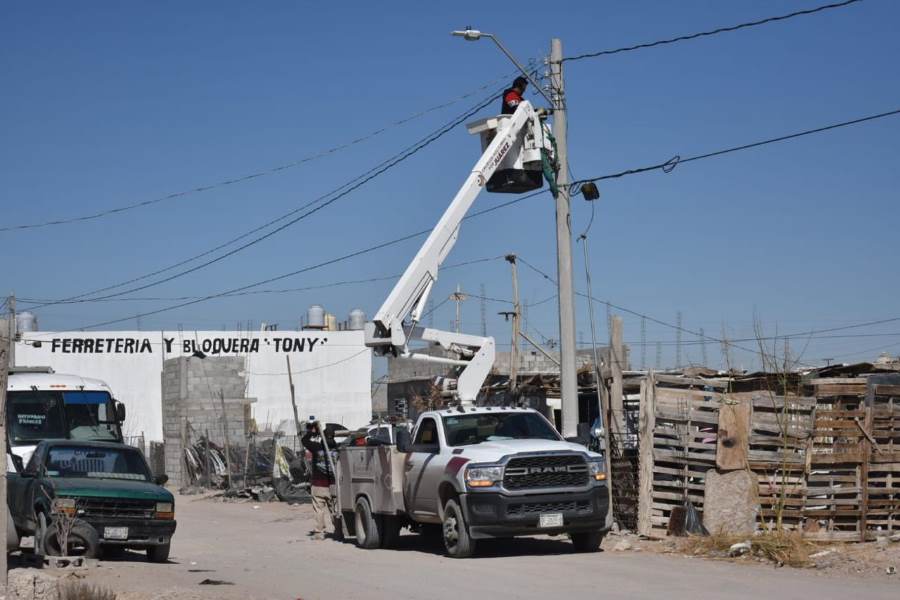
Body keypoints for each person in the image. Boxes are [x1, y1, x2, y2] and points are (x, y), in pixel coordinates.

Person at [301, 421, 336, 540]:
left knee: (319, 510)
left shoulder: (317, 448)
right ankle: (340, 532)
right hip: (333, 485)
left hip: (319, 485)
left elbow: (304, 441)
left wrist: (312, 431)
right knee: (335, 510)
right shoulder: (337, 450)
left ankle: (319, 533)